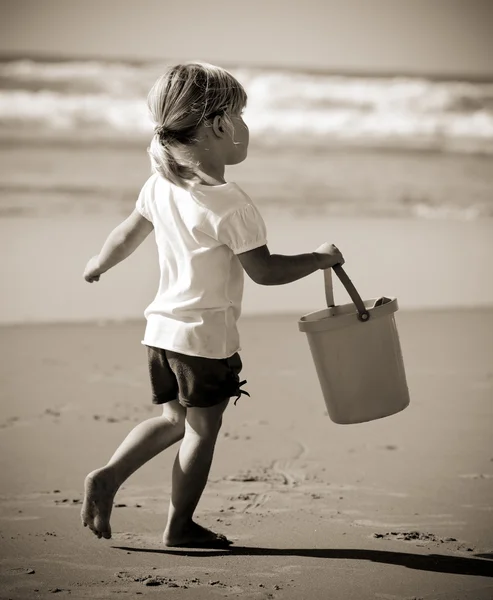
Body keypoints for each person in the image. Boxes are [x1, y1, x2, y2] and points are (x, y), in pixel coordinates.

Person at [81, 62, 344, 548]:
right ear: (219, 124)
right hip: (204, 339)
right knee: (202, 430)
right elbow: (264, 272)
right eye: (241, 116)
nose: (246, 127)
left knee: (171, 422)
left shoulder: (160, 184)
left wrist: (98, 263)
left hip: (160, 332)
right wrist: (318, 259)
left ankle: (110, 475)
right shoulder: (231, 203)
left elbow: (125, 235)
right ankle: (179, 527)